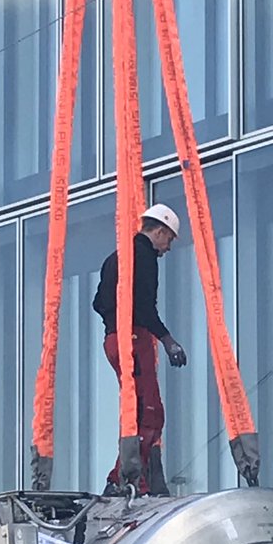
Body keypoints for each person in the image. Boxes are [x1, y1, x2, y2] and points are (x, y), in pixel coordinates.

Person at [92, 203, 187, 497]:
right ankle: (127, 478)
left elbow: (98, 301)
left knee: (139, 408)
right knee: (150, 413)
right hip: (133, 338)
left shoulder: (115, 258)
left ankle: (128, 475)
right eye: (169, 239)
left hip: (115, 339)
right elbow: (145, 306)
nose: (167, 248)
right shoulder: (143, 257)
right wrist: (168, 340)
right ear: (159, 231)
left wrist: (114, 322)